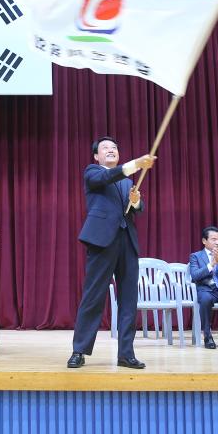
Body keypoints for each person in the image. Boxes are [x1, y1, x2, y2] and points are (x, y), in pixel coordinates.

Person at [67, 136, 155, 369]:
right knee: (93, 296)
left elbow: (137, 208)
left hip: (127, 241)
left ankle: (125, 353)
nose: (111, 150)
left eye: (115, 148)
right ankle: (79, 350)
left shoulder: (126, 181)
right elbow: (107, 177)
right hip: (102, 240)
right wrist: (136, 164)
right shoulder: (93, 172)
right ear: (96, 155)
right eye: (105, 148)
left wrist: (136, 202)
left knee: (128, 300)